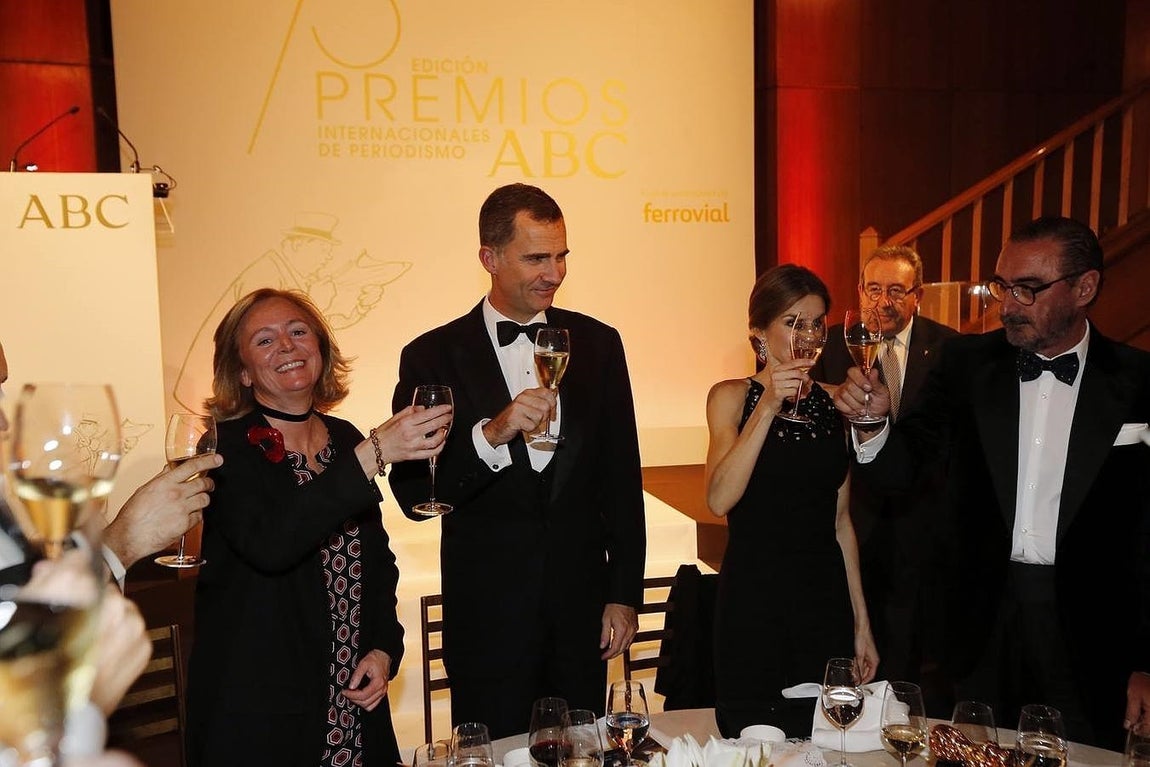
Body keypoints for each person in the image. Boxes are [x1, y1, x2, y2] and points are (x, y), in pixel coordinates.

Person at [833, 216, 1150, 749]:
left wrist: (1145, 661)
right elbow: (899, 472)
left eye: (1028, 289)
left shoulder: (1139, 381)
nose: (1007, 305)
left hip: (1091, 631)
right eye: (1003, 286)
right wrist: (872, 424)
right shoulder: (967, 365)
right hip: (978, 625)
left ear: (1085, 288)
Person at [388, 183, 646, 738]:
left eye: (561, 257)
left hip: (581, 618)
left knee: (581, 752)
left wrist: (623, 594)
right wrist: (494, 432)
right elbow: (414, 496)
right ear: (489, 258)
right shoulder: (432, 355)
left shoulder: (600, 345)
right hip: (487, 620)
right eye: (536, 258)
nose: (553, 273)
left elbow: (621, 480)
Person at [185, 288, 451, 767]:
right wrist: (374, 454)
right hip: (262, 713)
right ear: (243, 371)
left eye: (298, 332)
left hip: (351, 701)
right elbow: (272, 543)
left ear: (320, 349)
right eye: (264, 341)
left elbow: (379, 564)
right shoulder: (225, 446)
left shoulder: (345, 438)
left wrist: (384, 648)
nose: (286, 346)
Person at [704, 264, 878, 738]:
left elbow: (842, 524)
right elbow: (719, 499)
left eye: (817, 322)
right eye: (792, 322)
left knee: (825, 740)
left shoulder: (837, 403)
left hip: (823, 605)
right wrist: (766, 407)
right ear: (758, 331)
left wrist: (862, 623)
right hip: (753, 601)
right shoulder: (731, 397)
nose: (807, 336)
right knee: (753, 740)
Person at [810, 247, 956, 695]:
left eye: (896, 290)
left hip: (919, 526)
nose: (883, 301)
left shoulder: (951, 348)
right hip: (845, 519)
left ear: (918, 295)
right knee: (842, 655)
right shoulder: (829, 344)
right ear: (860, 290)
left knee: (907, 664)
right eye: (874, 289)